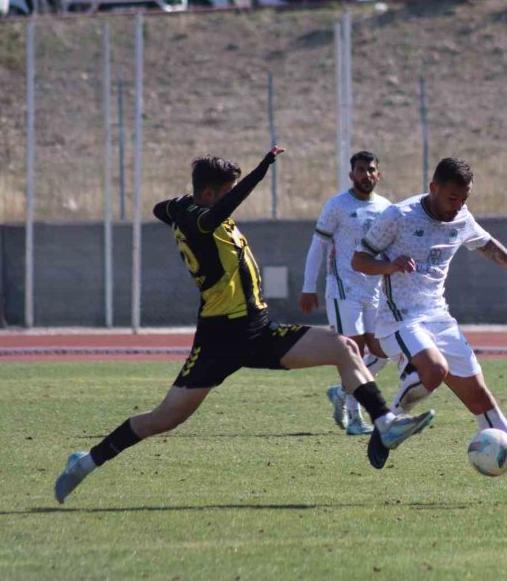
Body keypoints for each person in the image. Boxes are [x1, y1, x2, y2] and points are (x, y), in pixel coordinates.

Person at [53, 146, 434, 504]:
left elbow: (159, 208)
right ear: (209, 195)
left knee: (344, 347)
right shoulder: (203, 220)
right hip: (220, 338)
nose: (231, 200)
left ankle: (384, 422)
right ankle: (85, 462)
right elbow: (214, 211)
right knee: (163, 418)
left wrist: (177, 206)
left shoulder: (188, 209)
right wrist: (260, 171)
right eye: (227, 193)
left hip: (256, 328)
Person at [352, 157, 507, 505]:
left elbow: (486, 244)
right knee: (435, 370)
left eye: (464, 199)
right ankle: (388, 423)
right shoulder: (399, 216)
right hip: (399, 318)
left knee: (482, 399)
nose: (458, 206)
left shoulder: (461, 217)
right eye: (452, 197)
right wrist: (389, 265)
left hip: (439, 317)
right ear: (433, 188)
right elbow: (358, 260)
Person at [299, 151, 391, 436]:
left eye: (371, 169)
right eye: (360, 170)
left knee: (383, 351)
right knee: (354, 352)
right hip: (343, 290)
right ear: (351, 175)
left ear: (379, 174)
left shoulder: (387, 208)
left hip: (374, 291)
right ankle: (355, 417)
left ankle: (341, 392)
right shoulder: (337, 205)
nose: (366, 175)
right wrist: (308, 286)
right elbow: (318, 247)